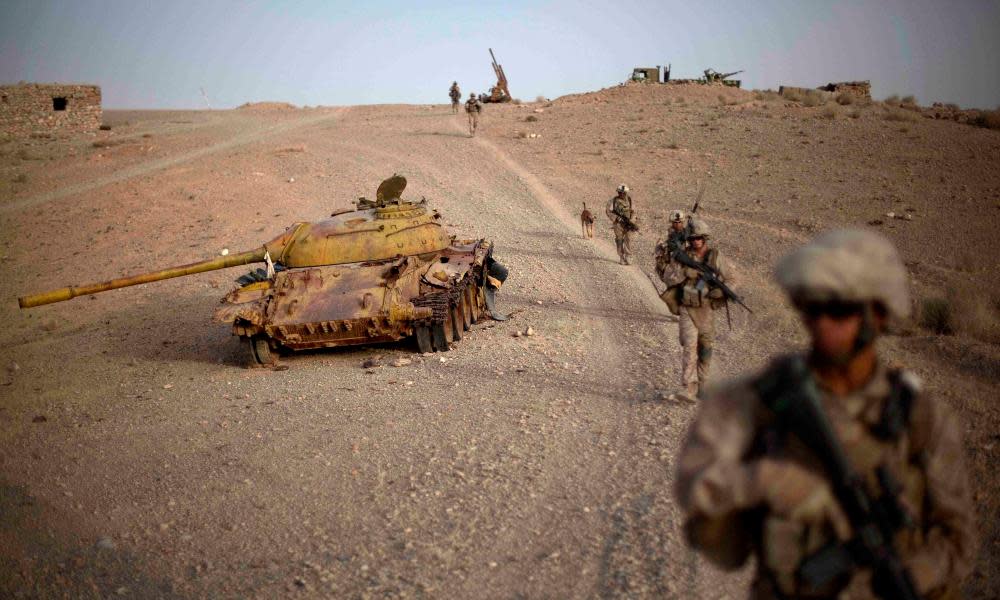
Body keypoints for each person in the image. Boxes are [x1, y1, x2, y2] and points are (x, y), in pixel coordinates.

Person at [675, 229, 976, 600]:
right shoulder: (766, 402)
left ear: (877, 314)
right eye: (811, 307)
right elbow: (709, 520)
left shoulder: (918, 417)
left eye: (838, 309)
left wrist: (914, 573)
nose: (821, 323)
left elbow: (959, 541)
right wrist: (758, 481)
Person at [673, 218, 730, 398]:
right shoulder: (682, 256)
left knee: (705, 347)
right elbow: (670, 277)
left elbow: (733, 279)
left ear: (704, 238)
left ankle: (702, 384)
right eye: (692, 238)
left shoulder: (715, 256)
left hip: (706, 310)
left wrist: (722, 292)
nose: (695, 241)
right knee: (689, 346)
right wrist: (686, 274)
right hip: (687, 307)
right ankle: (687, 386)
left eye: (699, 238)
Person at [605, 184, 636, 265]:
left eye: (623, 193)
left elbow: (633, 211)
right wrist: (616, 218)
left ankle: (628, 256)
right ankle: (621, 257)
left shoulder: (629, 200)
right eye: (620, 193)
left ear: (626, 193)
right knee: (619, 240)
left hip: (628, 223)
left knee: (628, 239)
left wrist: (631, 219)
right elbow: (608, 211)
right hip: (618, 224)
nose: (621, 194)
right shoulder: (613, 201)